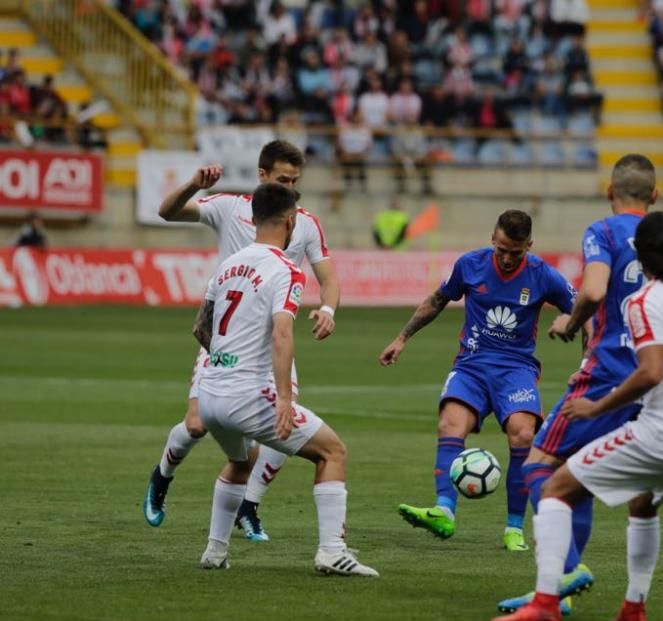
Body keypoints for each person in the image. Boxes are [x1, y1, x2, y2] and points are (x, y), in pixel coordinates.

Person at [490, 212, 663, 621]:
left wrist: (596, 409)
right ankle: (634, 609)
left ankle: (546, 601)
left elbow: (649, 372)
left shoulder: (643, 301)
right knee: (642, 504)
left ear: (642, 254)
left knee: (550, 480)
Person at [497, 154, 663, 614]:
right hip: (660, 381)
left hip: (611, 371)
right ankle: (576, 596)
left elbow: (593, 291)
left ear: (609, 192)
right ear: (655, 196)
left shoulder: (604, 232)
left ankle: (564, 574)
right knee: (583, 478)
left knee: (539, 465)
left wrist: (570, 324)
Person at [143, 140, 342, 540]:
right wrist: (192, 185)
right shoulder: (230, 207)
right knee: (197, 424)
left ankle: (249, 506)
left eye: (295, 180)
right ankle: (162, 474)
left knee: (284, 425)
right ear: (262, 175)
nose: (289, 186)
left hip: (272, 343)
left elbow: (328, 278)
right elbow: (166, 212)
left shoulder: (303, 221)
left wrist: (328, 309)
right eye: (283, 179)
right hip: (226, 340)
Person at [194, 182, 376, 576]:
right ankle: (331, 551)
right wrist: (283, 399)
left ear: (253, 217)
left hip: (210, 393)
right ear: (291, 220)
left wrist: (225, 364)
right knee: (332, 451)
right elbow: (281, 334)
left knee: (241, 461)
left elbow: (201, 329)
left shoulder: (227, 265)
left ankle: (214, 551)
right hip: (247, 396)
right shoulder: (287, 271)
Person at [379, 210, 576, 552]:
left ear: (529, 245)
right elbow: (437, 301)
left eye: (516, 252)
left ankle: (514, 527)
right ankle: (444, 511)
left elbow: (584, 309)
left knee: (523, 433)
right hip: (471, 365)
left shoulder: (544, 275)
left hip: (516, 368)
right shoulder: (470, 264)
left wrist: (572, 330)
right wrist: (402, 338)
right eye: (501, 249)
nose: (507, 258)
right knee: (449, 424)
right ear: (492, 238)